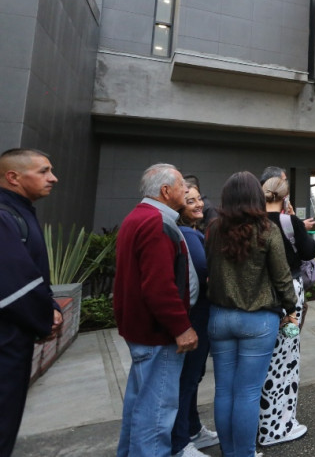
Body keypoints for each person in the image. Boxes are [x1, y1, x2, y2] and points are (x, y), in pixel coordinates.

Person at [206, 171, 298, 457]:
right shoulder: (267, 230)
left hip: (220, 317)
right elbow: (282, 277)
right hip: (258, 320)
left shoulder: (213, 229)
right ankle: (243, 454)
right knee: (247, 393)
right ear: (257, 197)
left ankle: (229, 452)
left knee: (224, 391)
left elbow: (208, 268)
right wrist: (291, 309)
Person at [114, 164, 198, 457]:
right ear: (165, 191)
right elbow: (159, 286)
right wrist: (181, 327)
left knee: (140, 405)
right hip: (157, 335)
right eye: (181, 187)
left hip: (142, 331)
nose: (186, 191)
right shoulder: (156, 223)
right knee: (156, 412)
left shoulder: (138, 217)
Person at [0, 149, 62, 457]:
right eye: (44, 171)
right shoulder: (4, 214)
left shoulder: (20, 211)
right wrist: (45, 318)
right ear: (13, 177)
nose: (53, 178)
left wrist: (51, 307)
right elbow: (13, 281)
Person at [257, 176, 315, 446]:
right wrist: (295, 222)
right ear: (286, 196)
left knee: (263, 361)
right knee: (286, 358)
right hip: (288, 294)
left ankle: (260, 423)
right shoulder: (288, 222)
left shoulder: (252, 222)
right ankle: (277, 426)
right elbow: (309, 251)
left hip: (259, 294)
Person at [171, 182, 218, 457]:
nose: (198, 204)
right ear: (179, 207)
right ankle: (180, 442)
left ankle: (192, 428)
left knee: (192, 377)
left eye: (199, 198)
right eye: (190, 201)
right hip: (195, 316)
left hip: (198, 315)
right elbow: (205, 274)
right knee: (188, 378)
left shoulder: (192, 233)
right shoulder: (189, 236)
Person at [259, 166, 315, 231]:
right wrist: (301, 226)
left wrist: (293, 218)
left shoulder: (285, 208)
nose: (286, 184)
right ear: (274, 183)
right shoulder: (258, 212)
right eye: (284, 181)